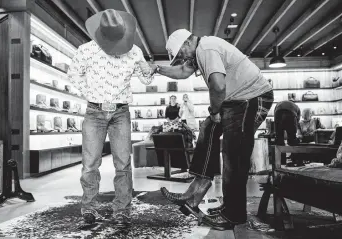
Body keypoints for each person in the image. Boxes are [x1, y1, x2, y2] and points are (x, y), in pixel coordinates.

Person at [147, 29, 273, 230]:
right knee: (207, 128)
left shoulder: (206, 47)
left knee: (233, 155)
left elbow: (218, 85)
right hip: (236, 100)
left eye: (180, 54)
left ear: (187, 43)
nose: (181, 59)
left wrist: (215, 111)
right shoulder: (198, 51)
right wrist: (157, 69)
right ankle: (196, 190)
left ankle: (234, 215)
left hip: (252, 98)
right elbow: (182, 72)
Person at [67, 9, 154, 227]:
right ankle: (88, 208)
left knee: (123, 164)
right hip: (94, 112)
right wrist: (90, 94)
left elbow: (145, 81)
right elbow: (73, 74)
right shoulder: (86, 50)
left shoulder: (134, 52)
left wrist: (148, 70)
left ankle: (122, 211)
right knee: (90, 164)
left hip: (120, 112)